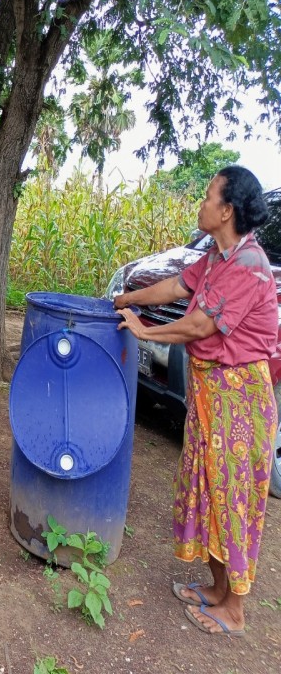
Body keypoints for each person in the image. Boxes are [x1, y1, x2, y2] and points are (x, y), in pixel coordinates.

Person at [115, 165, 278, 638]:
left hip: (240, 401)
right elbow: (175, 289)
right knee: (208, 487)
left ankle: (236, 609)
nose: (202, 203)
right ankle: (217, 588)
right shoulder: (217, 258)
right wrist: (127, 297)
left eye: (209, 196)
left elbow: (200, 325)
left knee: (234, 495)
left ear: (227, 210)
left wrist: (146, 330)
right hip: (211, 396)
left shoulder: (249, 265)